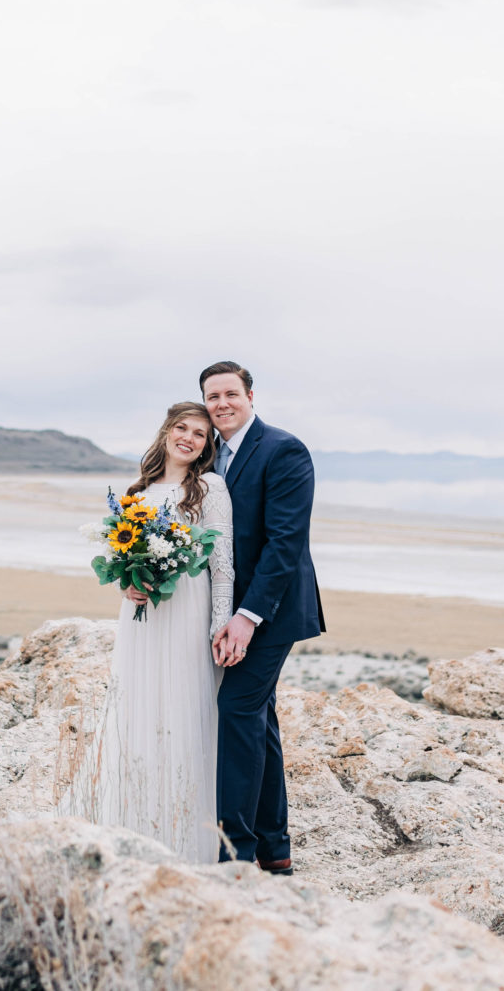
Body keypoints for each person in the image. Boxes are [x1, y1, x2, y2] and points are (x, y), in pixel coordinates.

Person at [60, 401, 235, 862]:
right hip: (143, 618)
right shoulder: (138, 490)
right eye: (182, 428)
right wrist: (127, 585)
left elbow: (222, 564)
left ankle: (187, 827)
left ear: (206, 446)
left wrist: (220, 622)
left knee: (186, 705)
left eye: (200, 434)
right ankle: (137, 812)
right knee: (139, 705)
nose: (190, 439)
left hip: (189, 612)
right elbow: (123, 559)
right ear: (165, 432)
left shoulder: (210, 488)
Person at [200, 360, 325, 873]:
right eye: (213, 397)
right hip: (232, 608)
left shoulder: (283, 449)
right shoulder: (211, 457)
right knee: (259, 719)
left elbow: (284, 542)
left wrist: (246, 618)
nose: (222, 404)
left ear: (251, 396)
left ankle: (237, 853)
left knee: (235, 709)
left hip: (272, 610)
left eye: (231, 393)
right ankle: (275, 851)